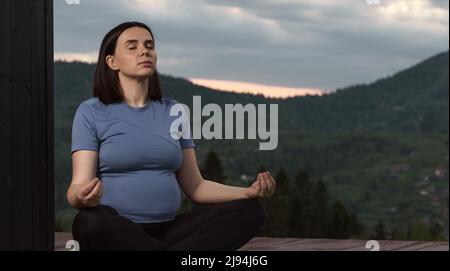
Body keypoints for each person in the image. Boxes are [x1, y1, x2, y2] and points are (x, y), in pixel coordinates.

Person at [67, 21, 277, 251]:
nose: (144, 50)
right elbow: (78, 187)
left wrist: (247, 192)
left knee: (250, 210)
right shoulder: (91, 111)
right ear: (112, 62)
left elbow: (195, 186)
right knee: (89, 221)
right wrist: (83, 197)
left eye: (149, 45)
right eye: (132, 46)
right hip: (117, 231)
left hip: (169, 231)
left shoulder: (174, 111)